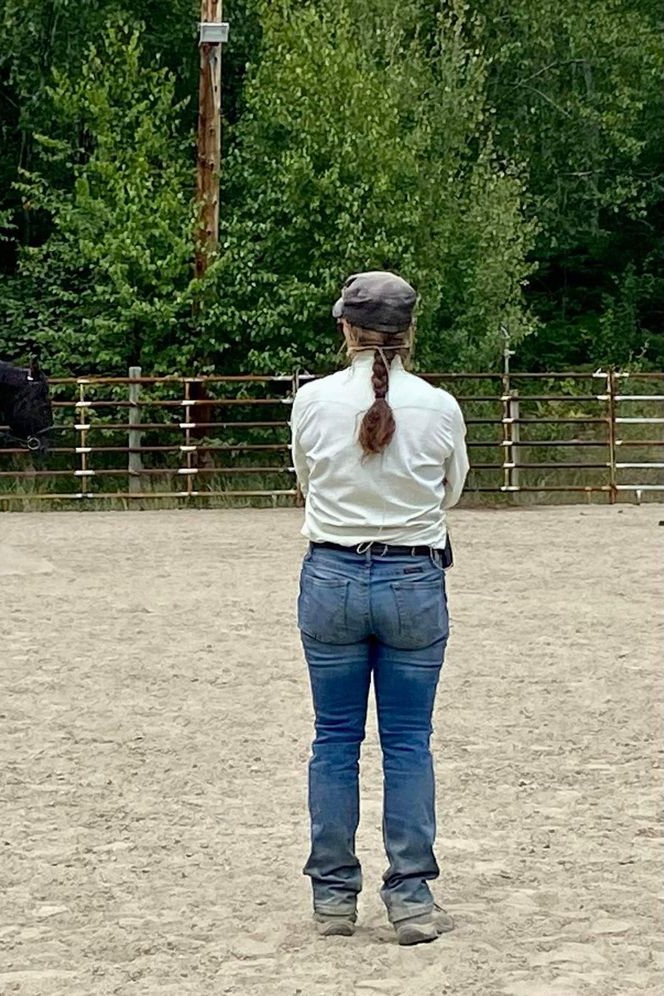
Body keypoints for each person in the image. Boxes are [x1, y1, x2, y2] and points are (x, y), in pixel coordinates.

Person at [289, 270, 469, 946]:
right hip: (411, 579)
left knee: (334, 739)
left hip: (331, 574)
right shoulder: (441, 406)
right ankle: (412, 899)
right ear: (409, 331)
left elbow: (306, 483)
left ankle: (333, 898)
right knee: (407, 742)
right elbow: (449, 494)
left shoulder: (311, 401)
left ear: (346, 327)